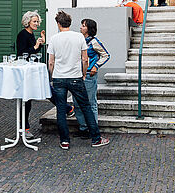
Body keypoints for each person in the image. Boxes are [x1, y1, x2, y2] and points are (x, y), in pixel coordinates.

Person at [47, 11, 109, 150]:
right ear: (69, 23)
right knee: (86, 107)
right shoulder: (78, 37)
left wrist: (53, 76)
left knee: (61, 110)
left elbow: (51, 62)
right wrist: (84, 74)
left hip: (59, 78)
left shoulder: (54, 38)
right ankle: (96, 139)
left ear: (58, 24)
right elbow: (84, 58)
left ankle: (64, 141)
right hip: (76, 77)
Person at [15, 10, 58, 139]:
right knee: (26, 100)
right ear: (27, 22)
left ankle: (66, 108)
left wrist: (40, 44)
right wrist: (35, 47)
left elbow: (33, 52)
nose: (37, 23)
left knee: (45, 90)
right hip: (25, 71)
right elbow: (22, 53)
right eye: (34, 21)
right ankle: (24, 128)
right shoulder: (22, 35)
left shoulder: (31, 34)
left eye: (38, 21)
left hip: (32, 70)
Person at [73, 18, 110, 139]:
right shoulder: (79, 41)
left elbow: (106, 55)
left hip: (89, 75)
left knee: (90, 102)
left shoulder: (94, 42)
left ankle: (92, 128)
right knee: (77, 102)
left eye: (83, 26)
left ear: (89, 28)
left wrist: (95, 66)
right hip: (78, 74)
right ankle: (83, 127)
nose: (80, 28)